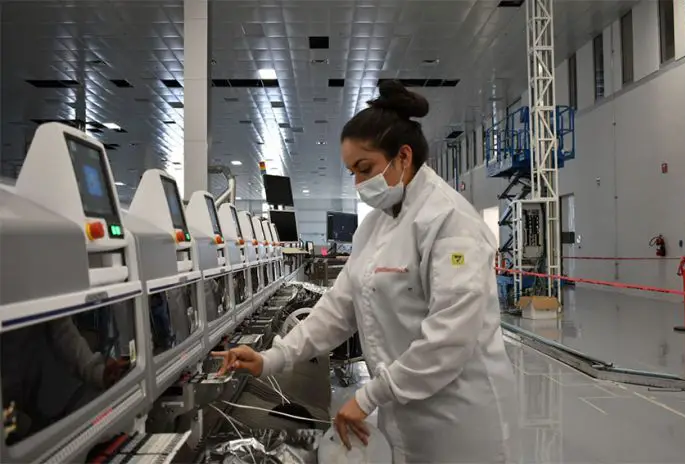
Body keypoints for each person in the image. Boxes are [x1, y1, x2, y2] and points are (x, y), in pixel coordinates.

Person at [213, 80, 517, 463]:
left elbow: (450, 337)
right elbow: (340, 308)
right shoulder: (374, 227)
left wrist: (369, 395)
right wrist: (272, 358)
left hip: (459, 418)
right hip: (404, 410)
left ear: (403, 157)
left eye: (365, 168)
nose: (358, 183)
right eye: (352, 172)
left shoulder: (451, 222)